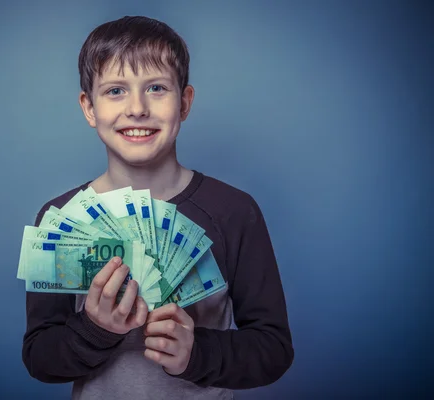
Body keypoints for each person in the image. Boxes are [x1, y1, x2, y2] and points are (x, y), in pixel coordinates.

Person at [22, 15, 294, 400]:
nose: (137, 108)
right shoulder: (61, 219)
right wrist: (95, 330)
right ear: (89, 107)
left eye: (156, 88)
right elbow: (39, 358)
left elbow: (273, 349)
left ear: (184, 102)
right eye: (115, 91)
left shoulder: (234, 211)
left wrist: (196, 353)